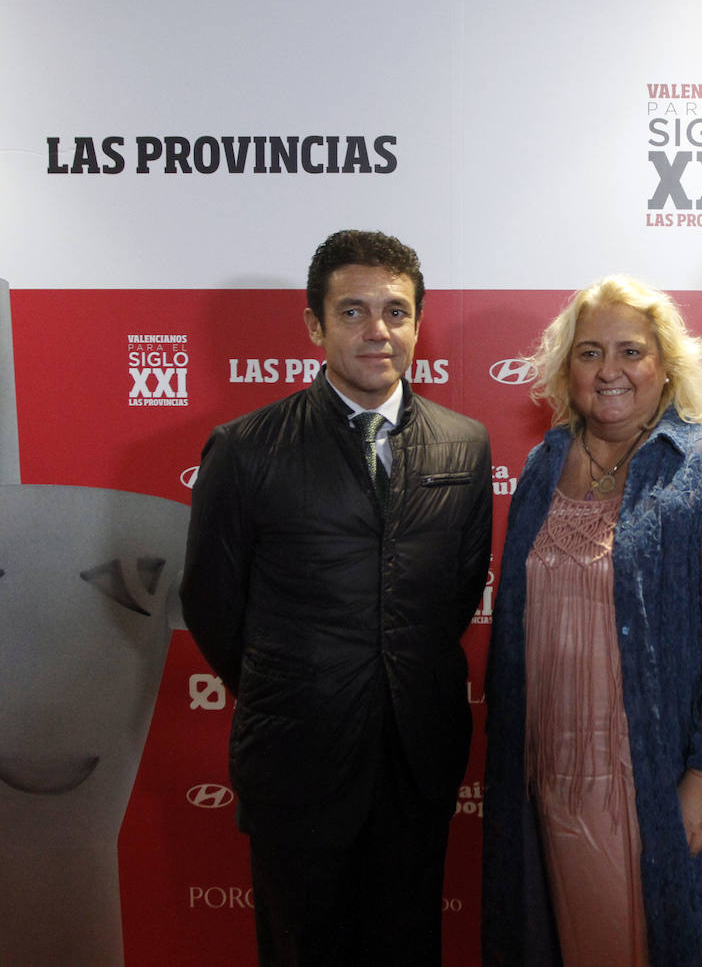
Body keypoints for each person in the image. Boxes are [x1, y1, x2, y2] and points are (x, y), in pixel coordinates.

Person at [180, 230, 492, 966]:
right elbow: (212, 606)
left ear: (417, 323)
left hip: (417, 756)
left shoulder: (465, 443)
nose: (377, 330)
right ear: (316, 326)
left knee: (409, 946)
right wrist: (297, 682)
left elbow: (456, 594)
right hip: (297, 759)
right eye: (353, 311)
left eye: (395, 310)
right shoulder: (247, 447)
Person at [481, 275, 702, 966]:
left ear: (665, 363)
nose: (609, 370)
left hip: (654, 772)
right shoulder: (541, 465)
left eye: (630, 351)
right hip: (546, 771)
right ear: (566, 368)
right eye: (589, 352)